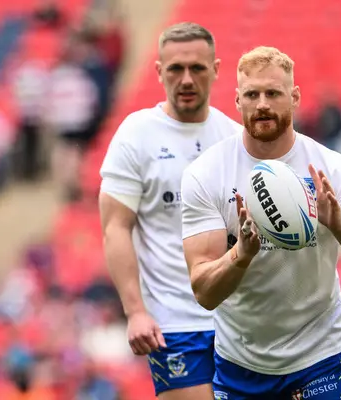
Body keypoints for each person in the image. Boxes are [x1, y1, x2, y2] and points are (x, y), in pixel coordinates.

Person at [180, 46, 341, 399]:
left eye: (273, 93)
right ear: (237, 101)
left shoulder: (333, 171)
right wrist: (242, 255)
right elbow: (204, 292)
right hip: (241, 365)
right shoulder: (207, 175)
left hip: (322, 358)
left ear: (294, 97)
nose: (262, 103)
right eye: (252, 94)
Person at [99, 22, 241, 399]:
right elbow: (115, 228)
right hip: (174, 322)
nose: (187, 79)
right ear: (160, 72)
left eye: (197, 68)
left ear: (216, 69)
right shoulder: (137, 134)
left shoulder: (233, 139)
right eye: (176, 69)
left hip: (239, 320)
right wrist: (135, 312)